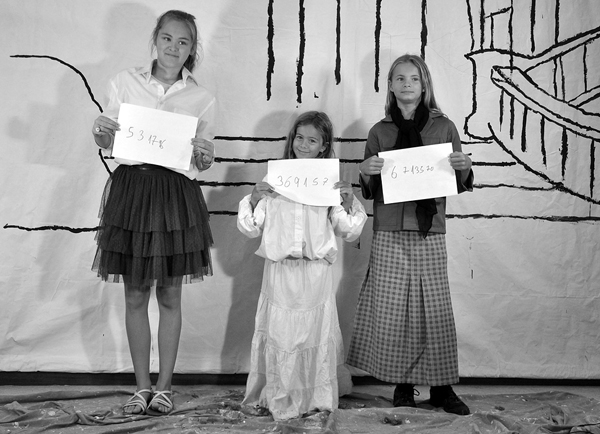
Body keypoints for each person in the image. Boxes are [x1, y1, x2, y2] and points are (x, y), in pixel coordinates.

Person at [90, 10, 216, 416]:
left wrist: (205, 156)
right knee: (134, 292)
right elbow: (108, 138)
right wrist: (100, 131)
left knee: (170, 293)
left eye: (183, 42)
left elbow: (201, 162)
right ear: (155, 39)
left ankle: (164, 388)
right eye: (167, 38)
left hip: (175, 194)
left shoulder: (202, 98)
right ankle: (141, 387)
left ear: (191, 48)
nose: (173, 47)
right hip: (133, 190)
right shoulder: (124, 82)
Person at [346, 54, 474, 416]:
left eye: (414, 78)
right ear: (390, 85)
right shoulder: (379, 131)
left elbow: (458, 181)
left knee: (435, 307)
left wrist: (464, 167)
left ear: (424, 85)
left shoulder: (444, 127)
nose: (407, 84)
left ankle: (442, 388)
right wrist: (365, 170)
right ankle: (402, 384)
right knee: (394, 308)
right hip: (389, 227)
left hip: (428, 228)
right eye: (399, 78)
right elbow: (369, 189)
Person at [237, 111, 368, 420]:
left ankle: (313, 397)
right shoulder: (276, 180)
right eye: (299, 138)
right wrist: (254, 198)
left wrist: (348, 202)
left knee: (312, 335)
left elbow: (348, 230)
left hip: (315, 273)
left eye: (312, 140)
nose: (304, 145)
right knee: (281, 335)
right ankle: (279, 394)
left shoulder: (328, 184)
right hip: (281, 272)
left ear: (323, 146)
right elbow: (250, 228)